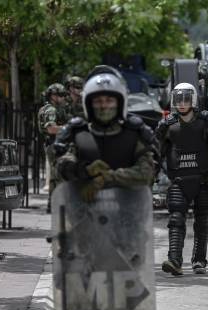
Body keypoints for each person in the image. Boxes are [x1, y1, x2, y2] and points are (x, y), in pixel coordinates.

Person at [54, 65, 156, 203]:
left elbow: (146, 173)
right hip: (83, 214)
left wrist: (107, 178)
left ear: (120, 102)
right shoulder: (77, 133)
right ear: (88, 104)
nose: (104, 106)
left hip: (128, 215)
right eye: (98, 101)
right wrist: (86, 170)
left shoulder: (135, 133)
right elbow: (62, 166)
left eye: (109, 100)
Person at [155, 83, 208, 276]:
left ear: (193, 100)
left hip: (203, 180)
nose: (182, 103)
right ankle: (174, 260)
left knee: (202, 221)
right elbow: (156, 154)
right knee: (176, 218)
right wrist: (148, 178)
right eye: (179, 99)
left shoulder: (206, 122)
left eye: (186, 99)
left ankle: (199, 261)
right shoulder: (167, 125)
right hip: (178, 180)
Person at [38, 83, 69, 213]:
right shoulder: (50, 110)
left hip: (55, 145)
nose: (63, 98)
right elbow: (51, 128)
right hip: (54, 145)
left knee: (55, 178)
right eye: (61, 95)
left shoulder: (54, 108)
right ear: (53, 96)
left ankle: (53, 206)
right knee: (59, 177)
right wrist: (69, 128)